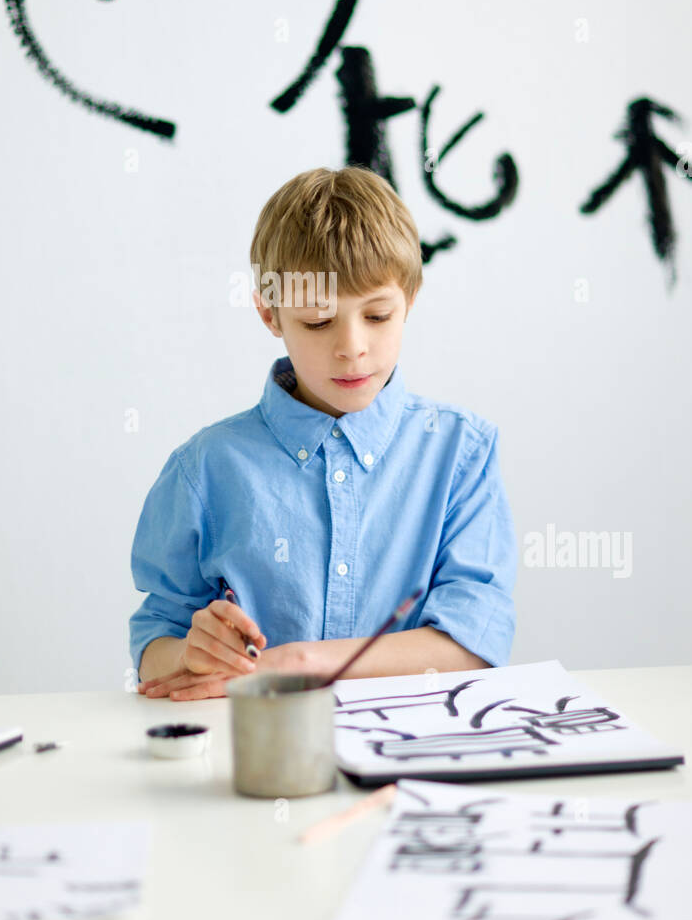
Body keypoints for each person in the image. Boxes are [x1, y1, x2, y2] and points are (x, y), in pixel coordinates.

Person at [129, 165, 516, 701]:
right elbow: (156, 643)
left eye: (378, 316)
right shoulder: (206, 468)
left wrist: (300, 662)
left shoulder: (460, 451)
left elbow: (473, 639)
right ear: (270, 313)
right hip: (259, 755)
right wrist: (193, 654)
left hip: (413, 754)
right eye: (317, 322)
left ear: (410, 299)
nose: (352, 346)